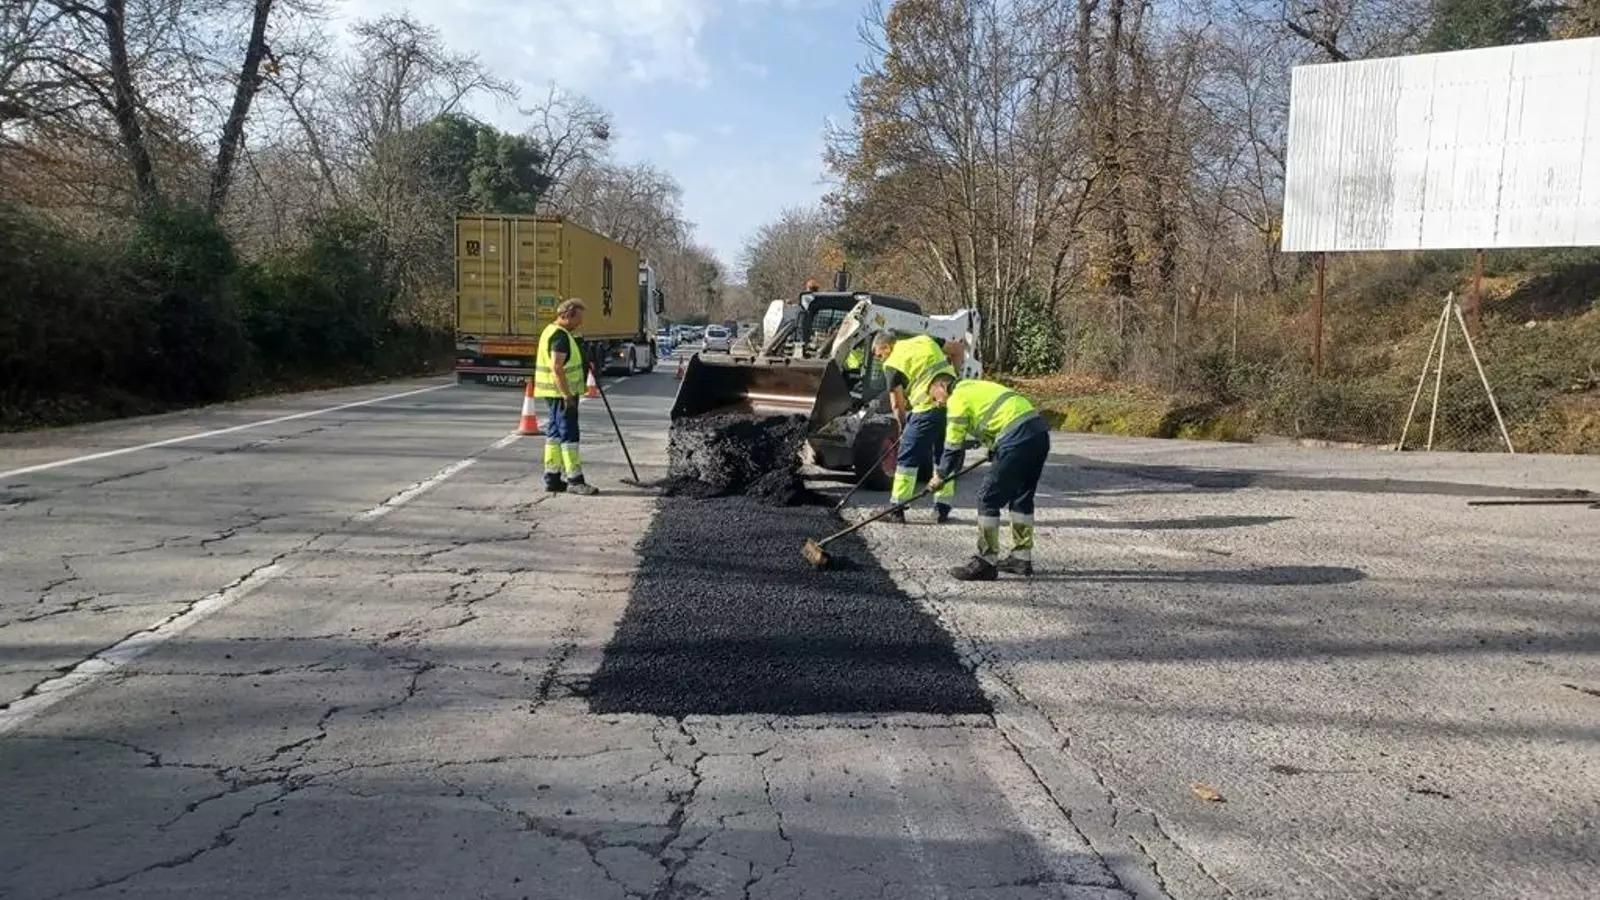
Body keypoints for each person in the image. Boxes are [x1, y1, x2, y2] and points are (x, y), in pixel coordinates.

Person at [927, 374, 1050, 580]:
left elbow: (952, 446)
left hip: (1016, 439)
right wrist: (996, 446)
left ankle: (986, 561)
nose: (937, 403)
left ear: (942, 385)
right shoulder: (976, 386)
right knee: (1021, 496)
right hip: (1038, 433)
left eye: (934, 396)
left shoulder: (957, 398)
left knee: (987, 497)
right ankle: (1021, 558)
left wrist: (940, 475)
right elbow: (996, 415)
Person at [871, 332, 958, 523]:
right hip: (953, 406)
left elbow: (897, 404)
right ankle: (942, 509)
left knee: (907, 458)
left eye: (878, 355)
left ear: (886, 347)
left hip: (926, 409)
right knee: (945, 456)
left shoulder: (892, 363)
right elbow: (956, 348)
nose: (879, 359)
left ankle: (896, 509)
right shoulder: (926, 339)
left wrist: (902, 427)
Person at [533, 299, 599, 496]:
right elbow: (557, 367)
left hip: (553, 393)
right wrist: (567, 395)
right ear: (568, 315)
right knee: (569, 435)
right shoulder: (559, 337)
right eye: (578, 318)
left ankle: (552, 477)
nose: (580, 322)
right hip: (561, 394)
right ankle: (575, 480)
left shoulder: (551, 331)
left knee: (554, 434)